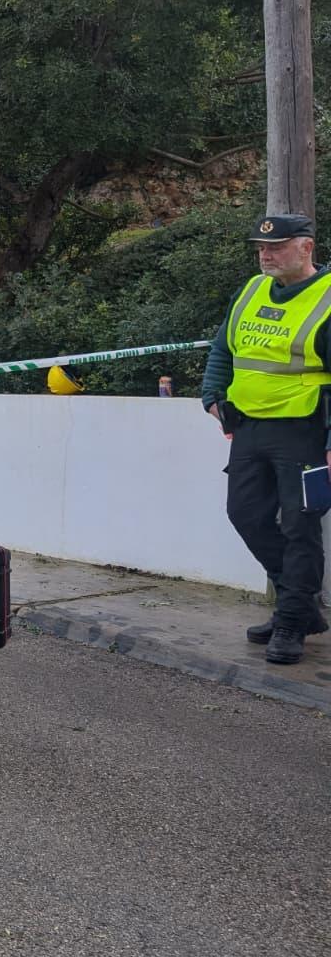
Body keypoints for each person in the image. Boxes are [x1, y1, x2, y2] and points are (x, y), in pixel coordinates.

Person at [201, 212, 331, 663]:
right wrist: (212, 396)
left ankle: (291, 620)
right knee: (245, 514)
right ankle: (302, 605)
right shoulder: (252, 290)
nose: (265, 255)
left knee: (300, 525)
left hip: (305, 430)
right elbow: (223, 348)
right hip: (250, 427)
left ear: (306, 247)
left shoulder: (327, 297)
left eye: (276, 247)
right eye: (261, 248)